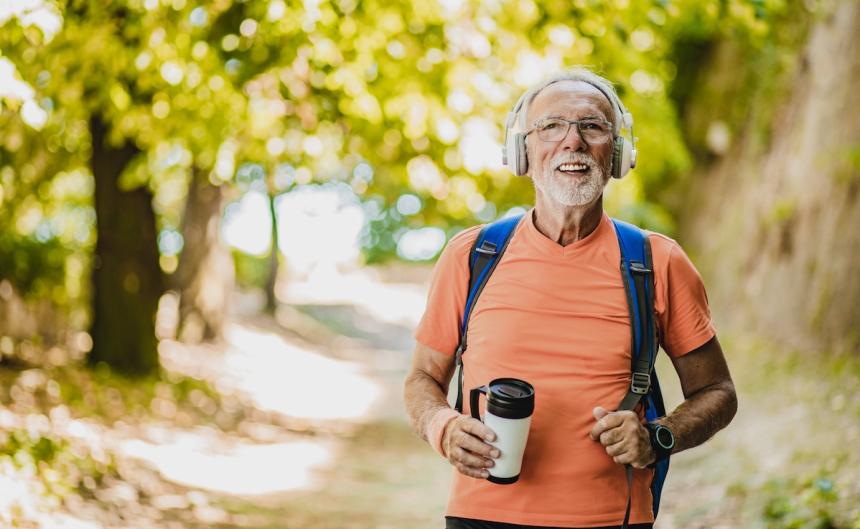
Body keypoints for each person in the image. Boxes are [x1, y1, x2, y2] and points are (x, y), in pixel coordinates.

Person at [403, 67, 738, 529]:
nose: (573, 141)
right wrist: (442, 426)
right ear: (523, 151)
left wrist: (657, 436)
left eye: (593, 126)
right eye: (552, 126)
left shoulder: (657, 261)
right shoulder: (473, 255)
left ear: (618, 154)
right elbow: (423, 378)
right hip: (480, 517)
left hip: (611, 520)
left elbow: (717, 392)